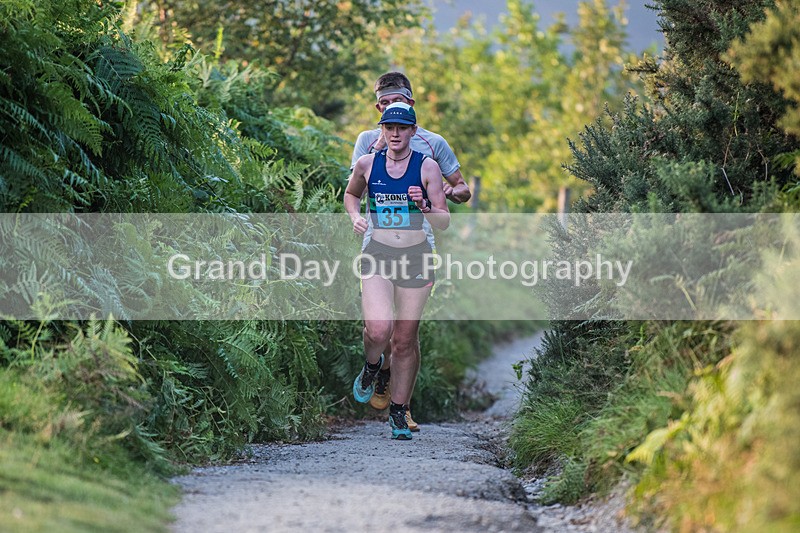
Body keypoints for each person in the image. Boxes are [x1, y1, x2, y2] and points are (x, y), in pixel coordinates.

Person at [349, 72, 469, 430]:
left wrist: (437, 198)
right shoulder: (368, 144)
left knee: (405, 336)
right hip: (378, 244)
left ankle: (401, 408)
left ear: (411, 109)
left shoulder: (432, 147)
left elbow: (460, 190)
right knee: (379, 330)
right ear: (378, 112)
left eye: (397, 107)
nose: (392, 120)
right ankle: (376, 369)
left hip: (419, 246)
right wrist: (356, 214)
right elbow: (354, 188)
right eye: (384, 109)